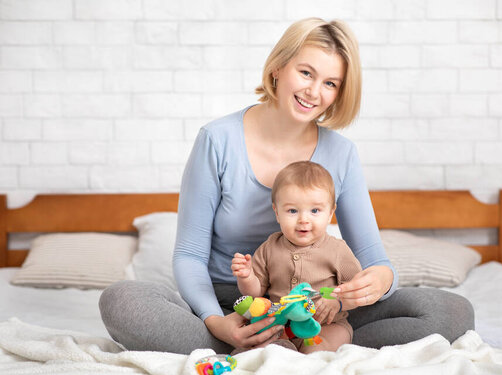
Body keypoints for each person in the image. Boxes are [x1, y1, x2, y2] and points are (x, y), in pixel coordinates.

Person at [99, 17, 474, 355]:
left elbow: (375, 262)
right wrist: (216, 320)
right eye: (306, 73)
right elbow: (189, 255)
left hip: (319, 310)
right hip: (236, 305)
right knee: (121, 301)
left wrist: (377, 282)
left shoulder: (341, 153)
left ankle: (314, 345)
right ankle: (236, 341)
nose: (314, 91)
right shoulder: (217, 140)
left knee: (453, 312)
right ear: (278, 67)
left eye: (330, 83)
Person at [232, 161, 362, 353]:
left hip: (327, 325)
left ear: (330, 213)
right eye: (292, 211)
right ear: (277, 213)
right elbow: (255, 293)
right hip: (282, 326)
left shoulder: (337, 250)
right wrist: (246, 276)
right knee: (262, 350)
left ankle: (311, 364)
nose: (303, 219)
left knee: (316, 351)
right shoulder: (270, 248)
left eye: (315, 211)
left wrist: (337, 301)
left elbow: (357, 289)